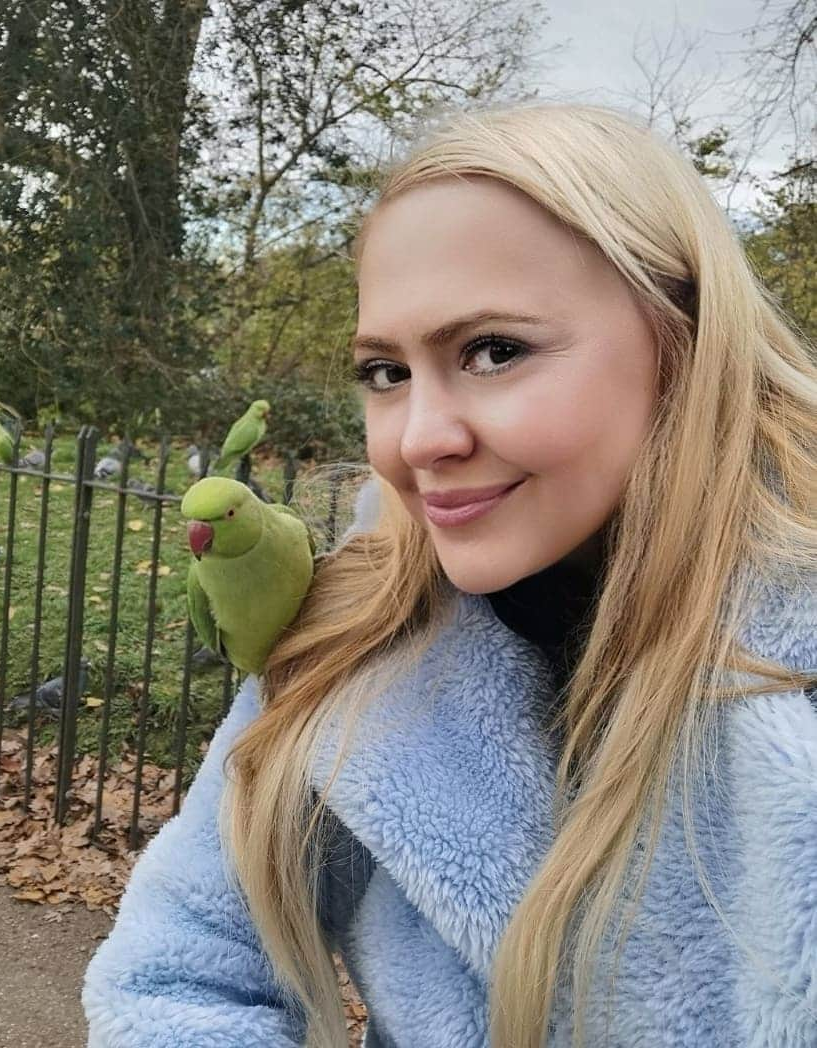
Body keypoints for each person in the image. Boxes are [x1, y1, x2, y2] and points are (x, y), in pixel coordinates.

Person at [82, 104, 817, 1048]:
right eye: (386, 371)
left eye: (494, 351)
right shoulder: (360, 626)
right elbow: (173, 972)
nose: (420, 439)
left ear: (682, 341)